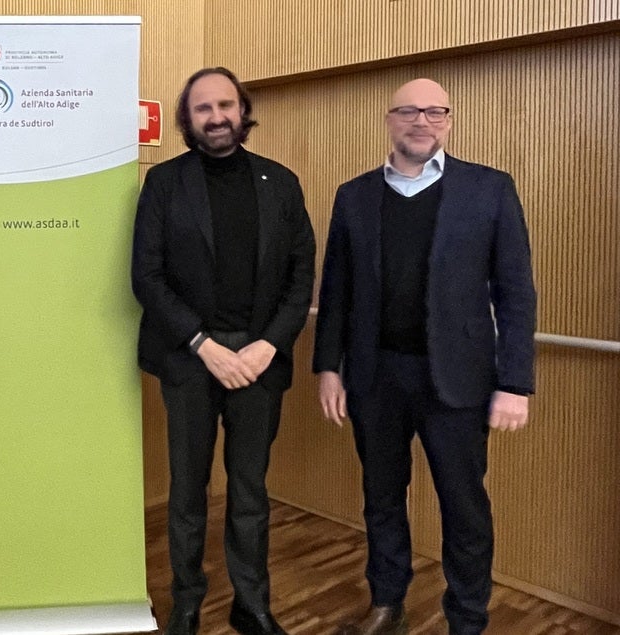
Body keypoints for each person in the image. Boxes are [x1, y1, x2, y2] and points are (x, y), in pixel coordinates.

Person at [313, 78, 536, 635]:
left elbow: (516, 293)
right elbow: (336, 290)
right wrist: (328, 367)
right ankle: (387, 605)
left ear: (449, 121)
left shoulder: (489, 189)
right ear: (390, 120)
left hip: (458, 382)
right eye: (410, 111)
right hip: (375, 376)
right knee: (381, 498)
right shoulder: (354, 195)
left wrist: (515, 382)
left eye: (436, 112)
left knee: (464, 507)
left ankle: (467, 619)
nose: (423, 121)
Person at [132, 66, 315, 635]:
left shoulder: (281, 183)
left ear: (243, 111)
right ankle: (187, 601)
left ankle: (251, 603)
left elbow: (301, 276)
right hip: (190, 358)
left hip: (259, 360)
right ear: (188, 119)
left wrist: (269, 345)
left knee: (250, 490)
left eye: (226, 105)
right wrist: (202, 343)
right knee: (187, 491)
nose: (217, 117)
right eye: (204, 108)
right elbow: (147, 276)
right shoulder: (164, 183)